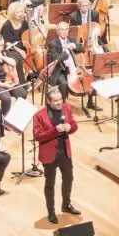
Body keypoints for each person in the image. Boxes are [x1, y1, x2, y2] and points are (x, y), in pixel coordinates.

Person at [30, 86, 81, 225]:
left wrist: (70, 128)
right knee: (50, 184)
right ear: (48, 101)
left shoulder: (66, 108)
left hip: (64, 152)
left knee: (68, 178)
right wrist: (54, 131)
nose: (59, 103)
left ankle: (66, 204)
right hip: (49, 155)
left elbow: (74, 124)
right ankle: (51, 212)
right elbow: (38, 136)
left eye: (60, 100)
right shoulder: (39, 115)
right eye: (56, 101)